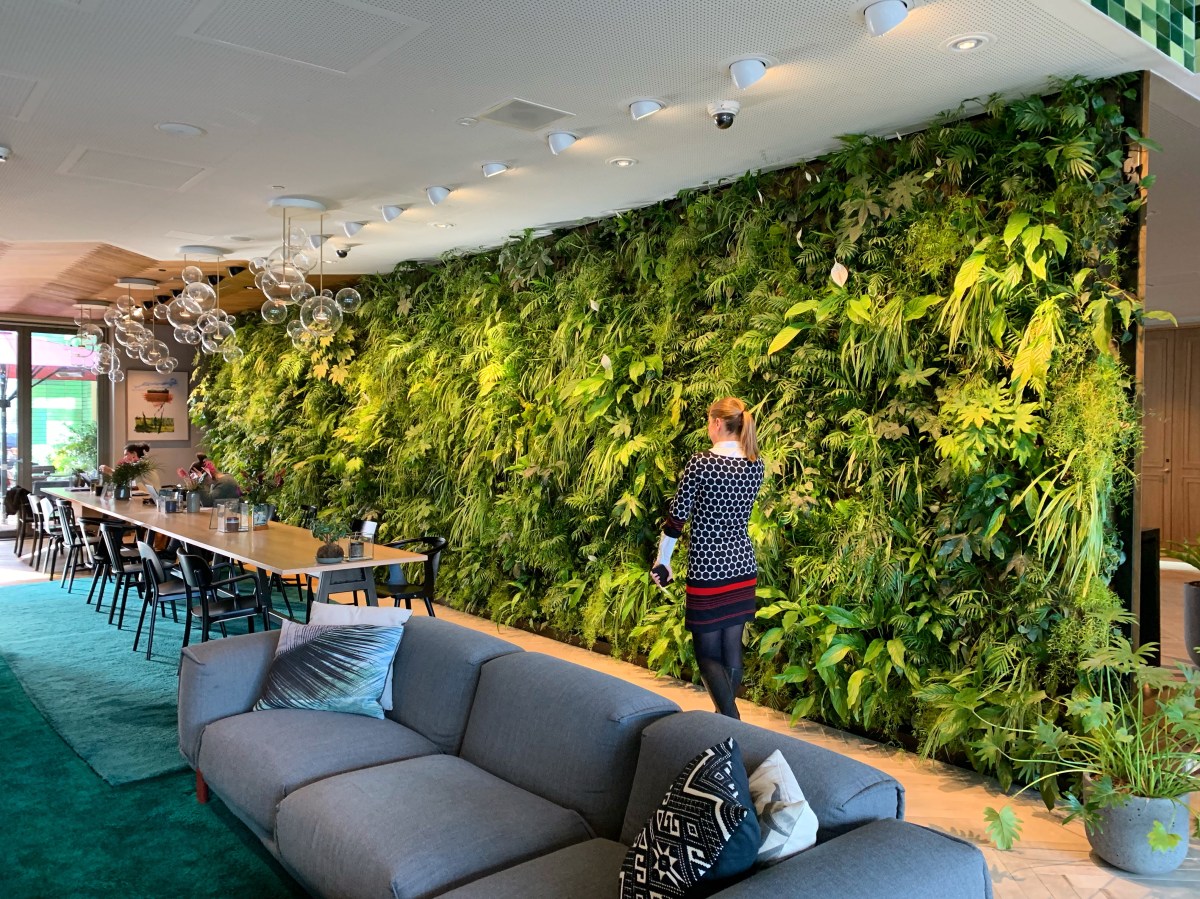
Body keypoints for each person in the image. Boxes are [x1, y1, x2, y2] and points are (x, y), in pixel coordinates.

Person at [651, 397, 764, 719]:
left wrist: (663, 561)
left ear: (716, 422)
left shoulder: (702, 463)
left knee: (707, 654)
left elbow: (677, 518)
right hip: (742, 565)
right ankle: (724, 720)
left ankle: (731, 722)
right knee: (730, 650)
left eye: (707, 421)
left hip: (709, 567)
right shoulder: (755, 463)